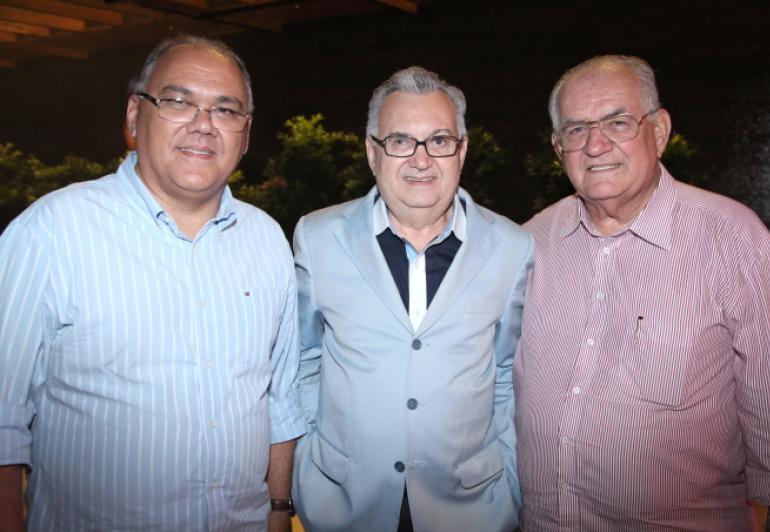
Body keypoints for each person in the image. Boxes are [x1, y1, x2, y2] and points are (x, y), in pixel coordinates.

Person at [0, 35, 305, 532]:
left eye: (226, 110)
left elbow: (281, 399)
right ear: (133, 116)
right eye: (178, 102)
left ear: (246, 133)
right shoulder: (53, 231)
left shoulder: (267, 240)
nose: (203, 124)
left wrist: (277, 509)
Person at [514, 54, 770, 531]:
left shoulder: (731, 238)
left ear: (660, 131)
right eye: (576, 129)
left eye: (618, 122)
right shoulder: (529, 244)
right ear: (558, 147)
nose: (595, 145)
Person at [291, 66, 533, 532]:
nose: (421, 160)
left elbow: (506, 374)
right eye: (400, 141)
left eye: (439, 140)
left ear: (462, 151)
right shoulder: (318, 238)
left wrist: (511, 483)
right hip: (343, 508)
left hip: (471, 511)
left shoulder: (511, 247)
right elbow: (302, 361)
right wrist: (309, 464)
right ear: (372, 152)